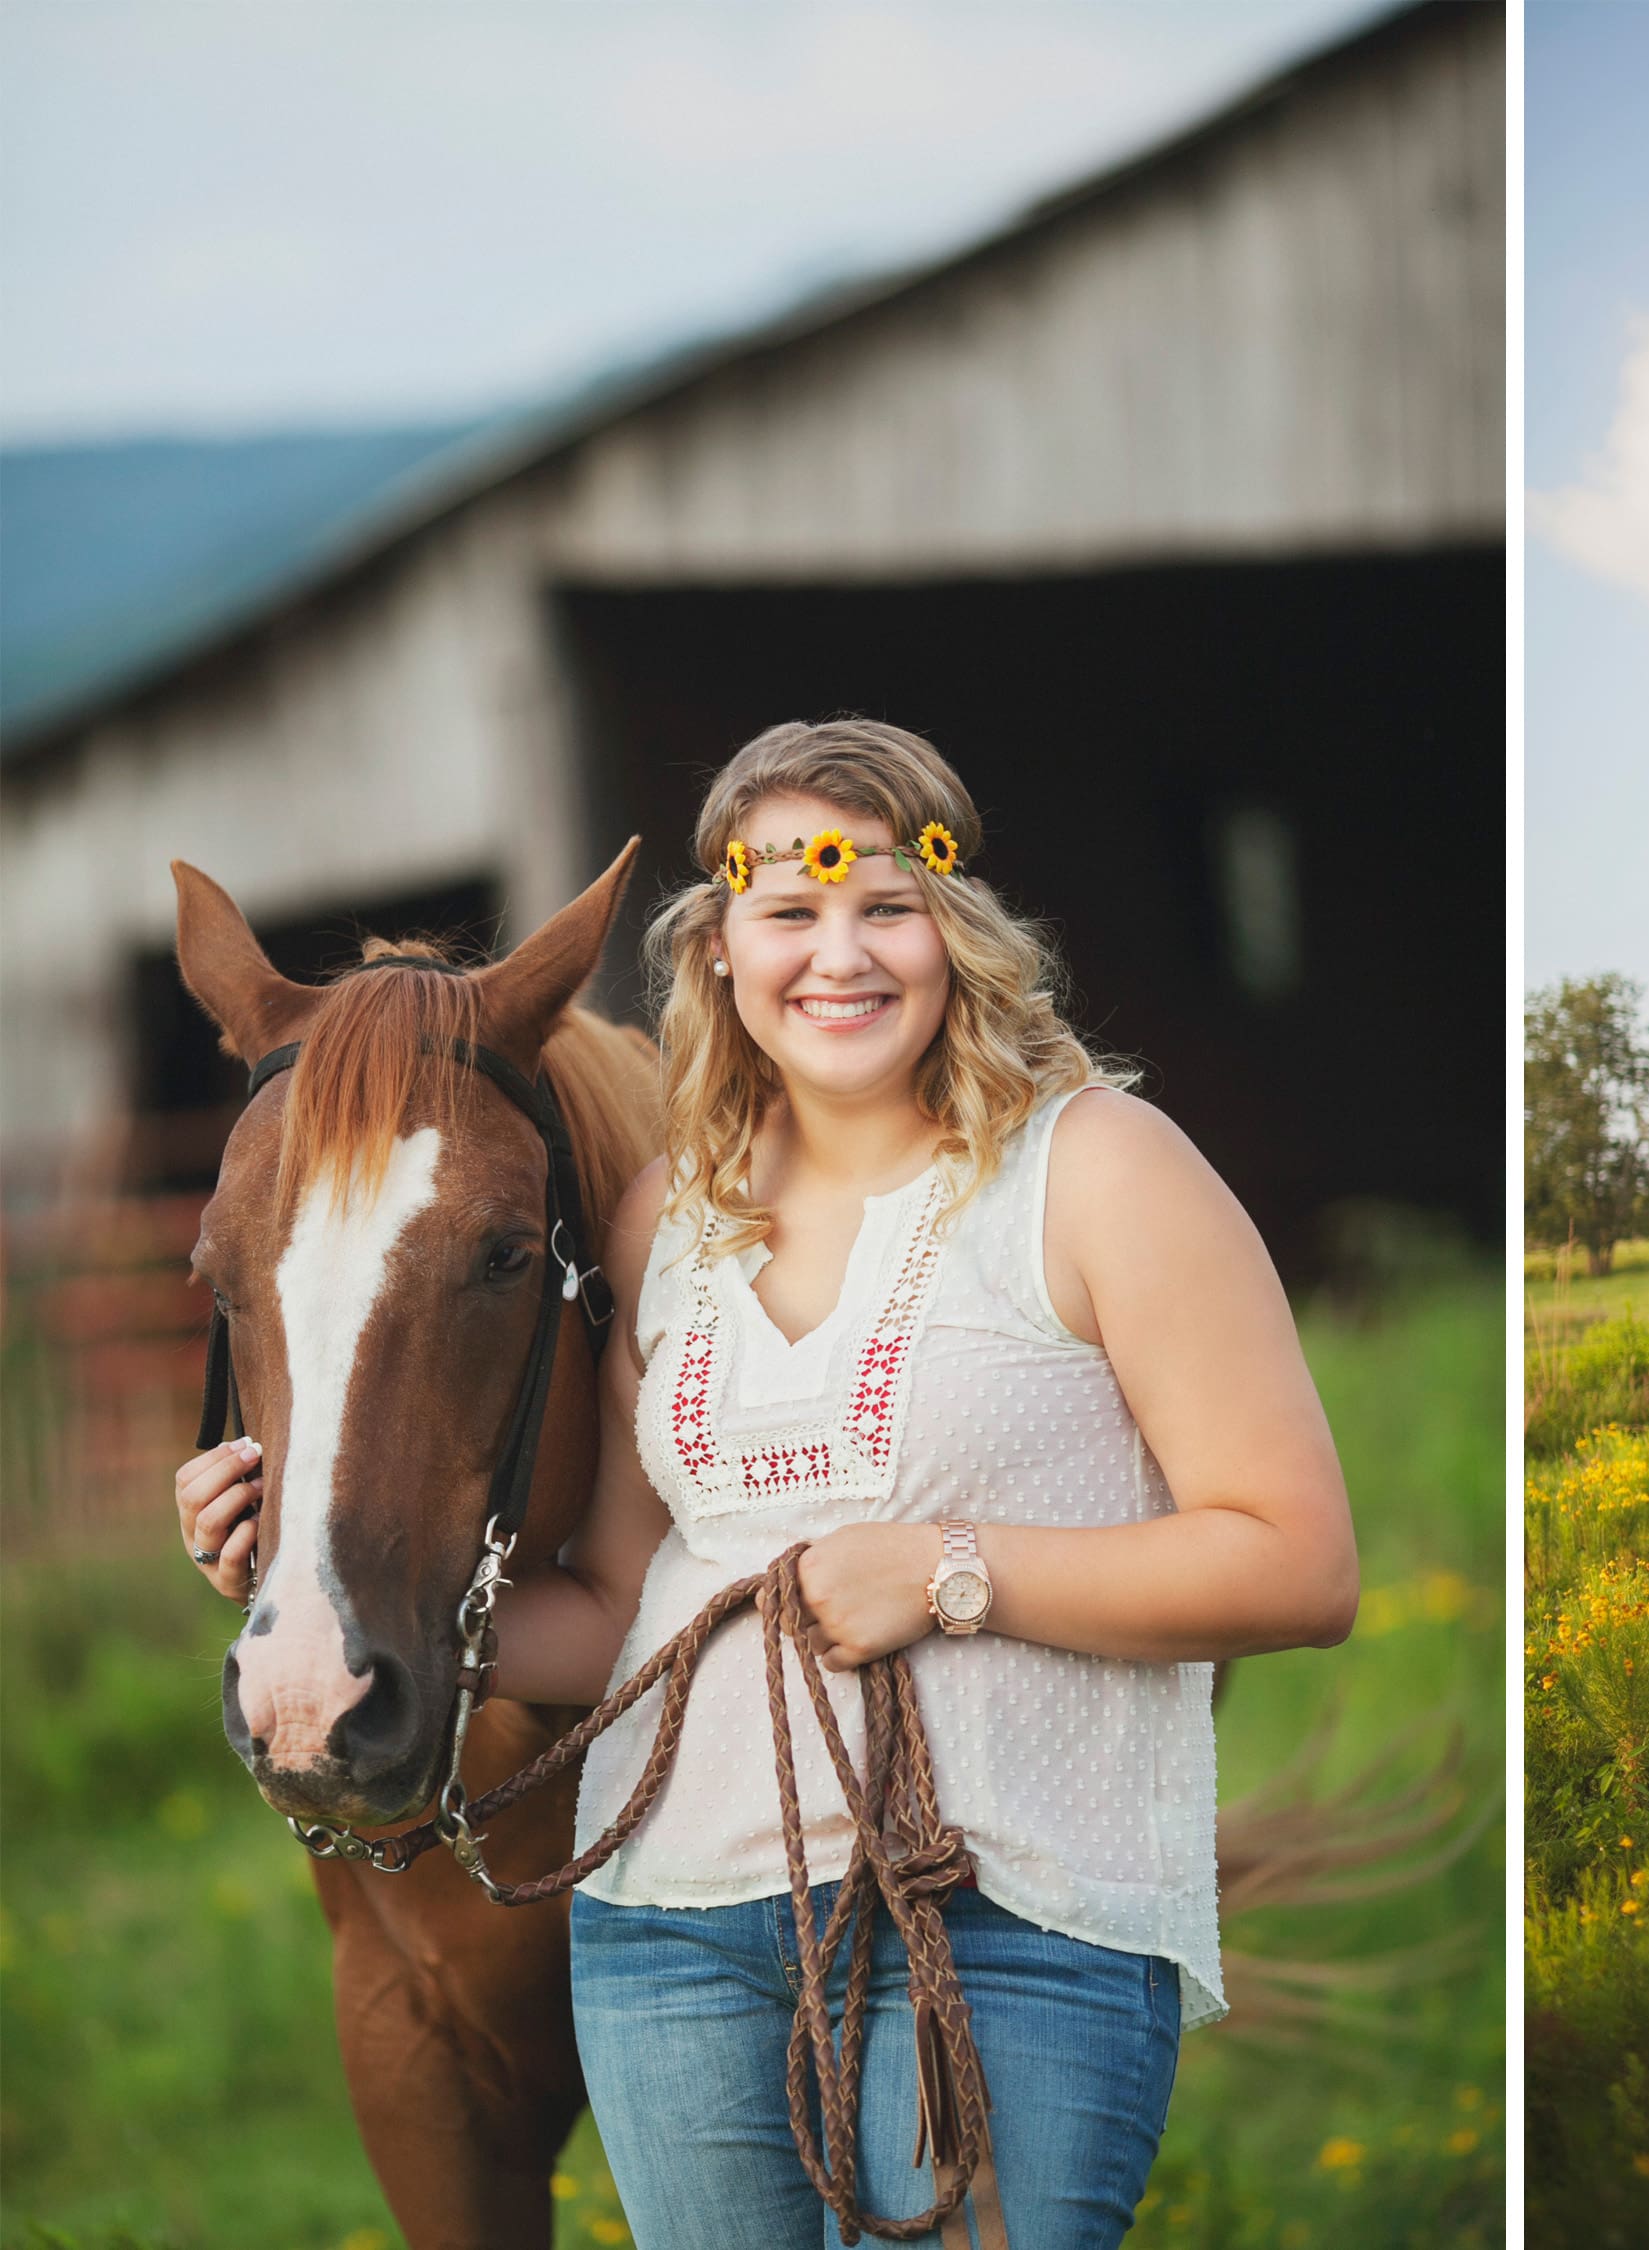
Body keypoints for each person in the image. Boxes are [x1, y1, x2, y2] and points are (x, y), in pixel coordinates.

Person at [176, 717, 1359, 2249]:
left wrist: (949, 1566)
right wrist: (311, 1593)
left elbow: (1300, 1564)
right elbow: (618, 1616)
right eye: (789, 911)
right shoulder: (673, 1217)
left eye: (883, 903)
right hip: (675, 1937)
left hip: (999, 1923)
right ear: (719, 949)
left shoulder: (1103, 1170)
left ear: (957, 927)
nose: (838, 954)